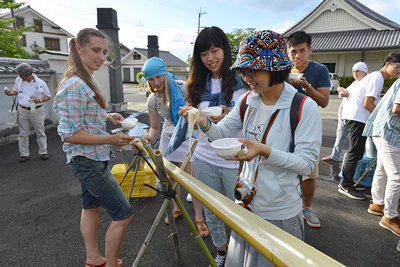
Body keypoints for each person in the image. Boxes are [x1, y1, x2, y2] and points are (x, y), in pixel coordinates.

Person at [180, 30, 321, 267]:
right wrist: (203, 120)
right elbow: (221, 133)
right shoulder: (248, 100)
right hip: (245, 204)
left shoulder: (304, 107)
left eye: (253, 70)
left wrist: (264, 151)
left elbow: (306, 164)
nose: (247, 77)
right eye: (243, 71)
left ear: (275, 68)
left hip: (279, 210)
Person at [53, 28, 134, 267]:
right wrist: (110, 139)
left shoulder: (86, 78)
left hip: (88, 159)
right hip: (87, 161)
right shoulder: (76, 85)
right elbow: (69, 134)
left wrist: (107, 116)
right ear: (79, 49)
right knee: (124, 214)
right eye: (96, 50)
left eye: (104, 52)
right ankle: (109, 264)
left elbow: (81, 118)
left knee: (90, 208)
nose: (101, 56)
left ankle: (94, 259)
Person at [183, 26, 248, 266]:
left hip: (236, 159)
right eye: (203, 54)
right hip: (204, 156)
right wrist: (188, 114)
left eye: (214, 50)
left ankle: (242, 253)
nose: (210, 58)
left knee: (242, 210)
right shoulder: (196, 84)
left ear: (225, 50)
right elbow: (193, 115)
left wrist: (231, 114)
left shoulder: (244, 80)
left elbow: (252, 117)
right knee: (212, 210)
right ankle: (222, 250)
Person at [141, 57, 209, 237]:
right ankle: (176, 207)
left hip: (188, 134)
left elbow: (197, 113)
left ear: (164, 73)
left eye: (158, 77)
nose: (156, 83)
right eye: (151, 79)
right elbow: (155, 126)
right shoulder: (153, 99)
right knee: (170, 178)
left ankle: (199, 217)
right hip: (168, 137)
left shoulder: (183, 88)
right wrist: (148, 137)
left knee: (193, 180)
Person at [339, 52, 400, 200]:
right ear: (387, 65)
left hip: (358, 117)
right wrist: (382, 117)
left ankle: (349, 181)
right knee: (355, 152)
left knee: (357, 151)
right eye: (396, 67)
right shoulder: (377, 78)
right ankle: (345, 184)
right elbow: (368, 104)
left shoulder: (375, 77)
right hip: (357, 118)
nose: (398, 70)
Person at [286, 31, 330, 228]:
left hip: (308, 126)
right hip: (284, 125)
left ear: (310, 50)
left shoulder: (319, 70)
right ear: (287, 52)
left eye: (302, 51)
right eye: (293, 51)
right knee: (284, 165)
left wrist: (306, 86)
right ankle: (287, 204)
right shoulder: (283, 70)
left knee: (310, 171)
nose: (297, 56)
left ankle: (307, 207)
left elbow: (324, 101)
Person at [363, 74, 400, 236]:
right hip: (390, 131)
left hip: (383, 129)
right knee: (396, 176)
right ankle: (389, 216)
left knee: (383, 169)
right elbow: (397, 108)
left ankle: (378, 204)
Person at [4, 63, 51, 162]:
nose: (19, 77)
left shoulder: (41, 83)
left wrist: (40, 100)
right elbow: (15, 91)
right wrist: (9, 92)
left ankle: (43, 152)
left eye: (21, 75)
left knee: (40, 132)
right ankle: (24, 154)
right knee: (23, 133)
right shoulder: (19, 80)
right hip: (22, 110)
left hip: (37, 110)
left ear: (28, 75)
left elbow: (48, 96)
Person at [322, 62, 368, 162]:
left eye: (358, 71)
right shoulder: (355, 82)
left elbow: (365, 99)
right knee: (340, 136)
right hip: (344, 115)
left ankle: (360, 160)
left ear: (364, 71)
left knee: (356, 141)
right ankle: (334, 156)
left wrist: (348, 95)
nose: (355, 74)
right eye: (353, 71)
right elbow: (349, 93)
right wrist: (343, 91)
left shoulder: (367, 82)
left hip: (356, 117)